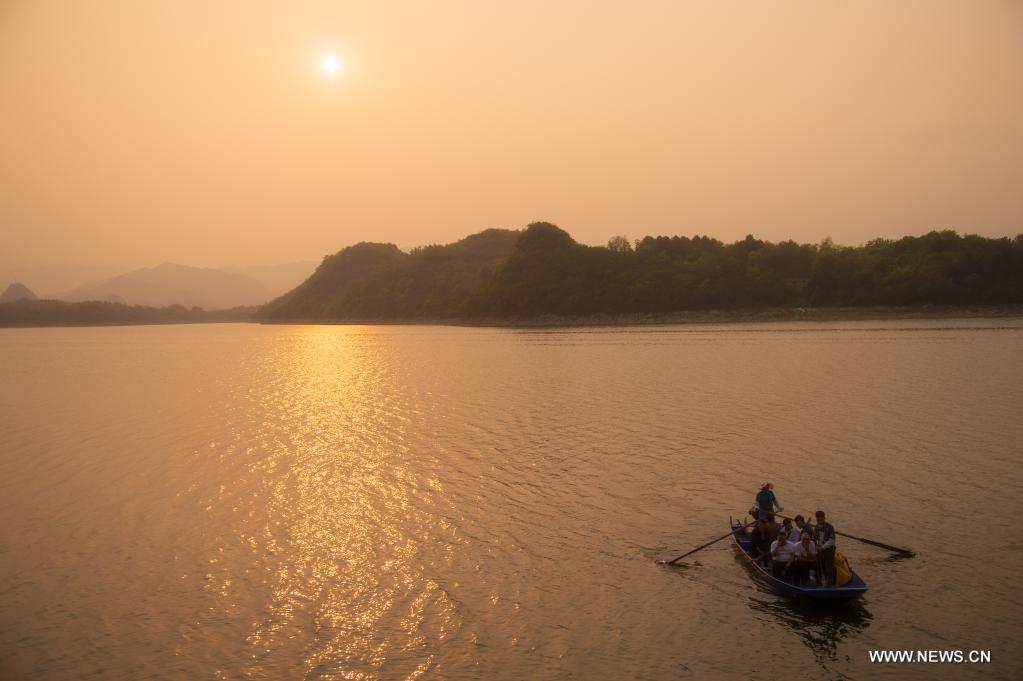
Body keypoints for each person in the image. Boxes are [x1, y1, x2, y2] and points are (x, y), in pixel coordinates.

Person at [814, 510, 837, 586]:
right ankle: (819, 581)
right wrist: (817, 546)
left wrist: (823, 547)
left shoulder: (830, 527)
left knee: (829, 566)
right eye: (817, 519)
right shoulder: (816, 527)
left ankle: (830, 583)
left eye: (820, 518)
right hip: (820, 549)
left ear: (824, 517)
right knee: (820, 565)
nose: (819, 520)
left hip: (829, 549)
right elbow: (815, 538)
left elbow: (832, 540)